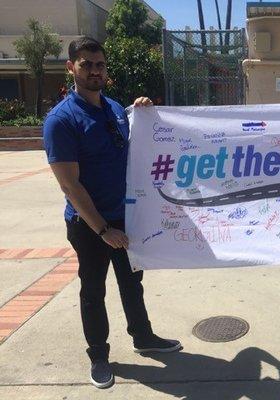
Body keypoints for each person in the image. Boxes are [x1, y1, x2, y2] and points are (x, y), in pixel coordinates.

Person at [43, 36, 182, 389]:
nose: (94, 70)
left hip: (126, 217)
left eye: (100, 65)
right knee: (93, 290)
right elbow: (70, 185)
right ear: (71, 67)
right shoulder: (61, 120)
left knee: (132, 283)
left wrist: (142, 111)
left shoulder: (116, 109)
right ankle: (99, 356)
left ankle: (143, 337)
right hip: (90, 224)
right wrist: (104, 230)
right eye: (86, 64)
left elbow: (136, 148)